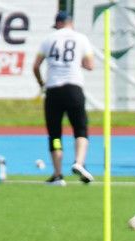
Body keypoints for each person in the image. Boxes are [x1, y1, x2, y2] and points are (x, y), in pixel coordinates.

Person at [35, 11, 96, 185]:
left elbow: (36, 66)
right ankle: (79, 162)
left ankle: (57, 174)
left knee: (55, 134)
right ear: (71, 22)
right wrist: (76, 62)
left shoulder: (48, 39)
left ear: (58, 23)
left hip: (53, 89)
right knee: (80, 129)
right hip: (73, 88)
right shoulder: (81, 38)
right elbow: (90, 65)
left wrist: (41, 83)